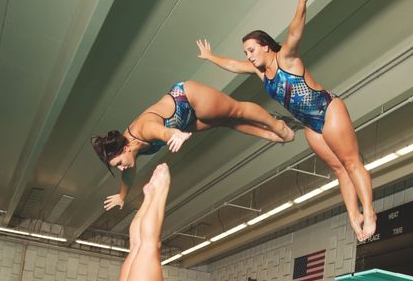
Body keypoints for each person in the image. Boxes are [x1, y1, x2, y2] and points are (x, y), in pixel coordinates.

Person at [197, 0, 376, 241]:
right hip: (310, 124)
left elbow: (294, 32)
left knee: (351, 162)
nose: (248, 56)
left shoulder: (286, 59)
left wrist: (302, 2)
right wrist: (211, 57)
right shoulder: (261, 73)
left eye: (251, 50)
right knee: (338, 170)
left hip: (328, 110)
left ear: (266, 46)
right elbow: (235, 66)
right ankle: (354, 216)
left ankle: (369, 212)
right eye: (246, 52)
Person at [91, 80, 294, 211]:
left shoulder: (143, 130)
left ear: (125, 148)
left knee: (236, 111)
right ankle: (270, 135)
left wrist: (175, 134)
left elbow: (162, 132)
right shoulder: (130, 152)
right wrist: (121, 196)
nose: (122, 167)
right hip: (183, 122)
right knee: (225, 122)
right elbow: (128, 176)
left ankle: (277, 125)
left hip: (187, 98)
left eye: (119, 162)